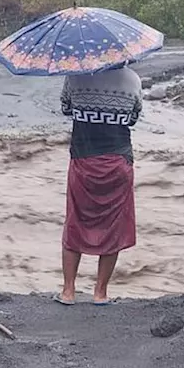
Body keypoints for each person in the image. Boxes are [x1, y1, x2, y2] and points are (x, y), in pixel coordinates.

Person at [55, 64, 143, 306]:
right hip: (118, 162)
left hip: (84, 160)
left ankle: (68, 291)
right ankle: (100, 292)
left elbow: (66, 109)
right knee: (114, 227)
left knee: (75, 222)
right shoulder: (132, 80)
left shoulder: (75, 76)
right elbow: (133, 118)